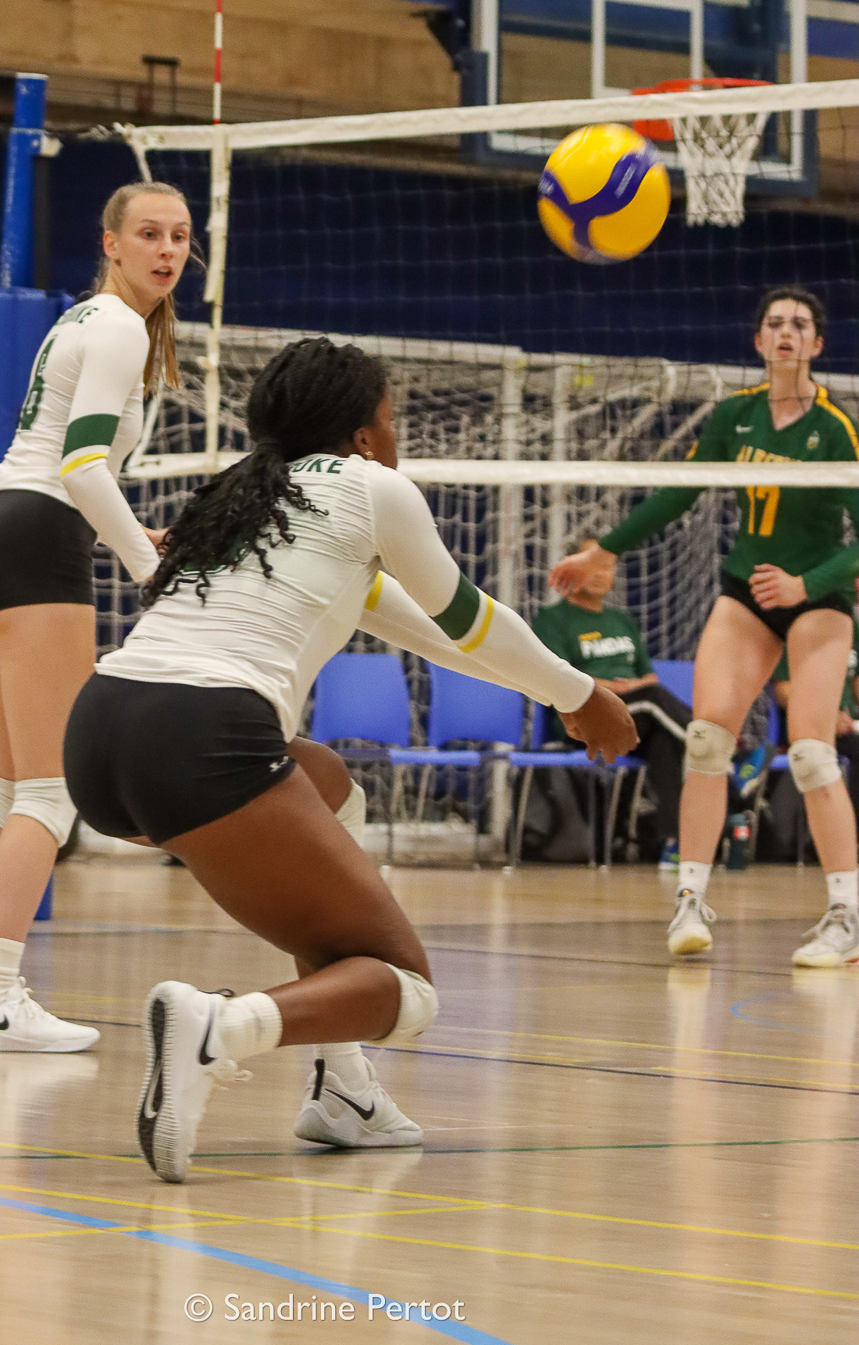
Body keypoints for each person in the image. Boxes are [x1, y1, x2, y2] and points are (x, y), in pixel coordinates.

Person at [63, 337, 636, 1182]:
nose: (395, 436)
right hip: (201, 743)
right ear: (366, 436)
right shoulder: (374, 491)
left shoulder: (242, 497)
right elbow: (472, 620)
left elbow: (441, 643)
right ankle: (221, 1029)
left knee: (332, 791)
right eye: (391, 418)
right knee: (405, 990)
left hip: (102, 734)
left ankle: (344, 1088)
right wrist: (582, 693)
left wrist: (561, 691)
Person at [0, 181, 192, 1051]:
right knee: (51, 788)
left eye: (179, 236)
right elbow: (81, 465)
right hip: (32, 542)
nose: (167, 250)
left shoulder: (81, 322)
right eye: (148, 234)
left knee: (7, 782)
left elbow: (63, 462)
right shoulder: (115, 326)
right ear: (110, 243)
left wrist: (133, 532)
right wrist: (147, 568)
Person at [550, 287, 859, 967]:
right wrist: (603, 548)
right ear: (757, 342)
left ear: (817, 346)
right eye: (775, 323)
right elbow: (678, 494)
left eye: (800, 325)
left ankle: (846, 914)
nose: (786, 333)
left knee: (810, 753)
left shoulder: (834, 429)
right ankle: (689, 902)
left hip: (816, 598)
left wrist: (809, 584)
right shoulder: (734, 417)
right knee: (705, 740)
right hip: (747, 591)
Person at [533, 540, 691, 860]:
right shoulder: (552, 620)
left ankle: (673, 844)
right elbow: (559, 677)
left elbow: (649, 677)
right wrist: (612, 689)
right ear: (571, 566)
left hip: (639, 714)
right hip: (583, 718)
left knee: (665, 738)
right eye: (592, 565)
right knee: (654, 701)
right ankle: (725, 752)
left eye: (606, 566)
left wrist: (632, 686)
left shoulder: (622, 620)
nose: (600, 573)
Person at [770, 613, 859, 842]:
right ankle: (852, 840)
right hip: (810, 725)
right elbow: (783, 691)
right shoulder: (793, 626)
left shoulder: (849, 623)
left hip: (851, 724)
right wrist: (827, 715)